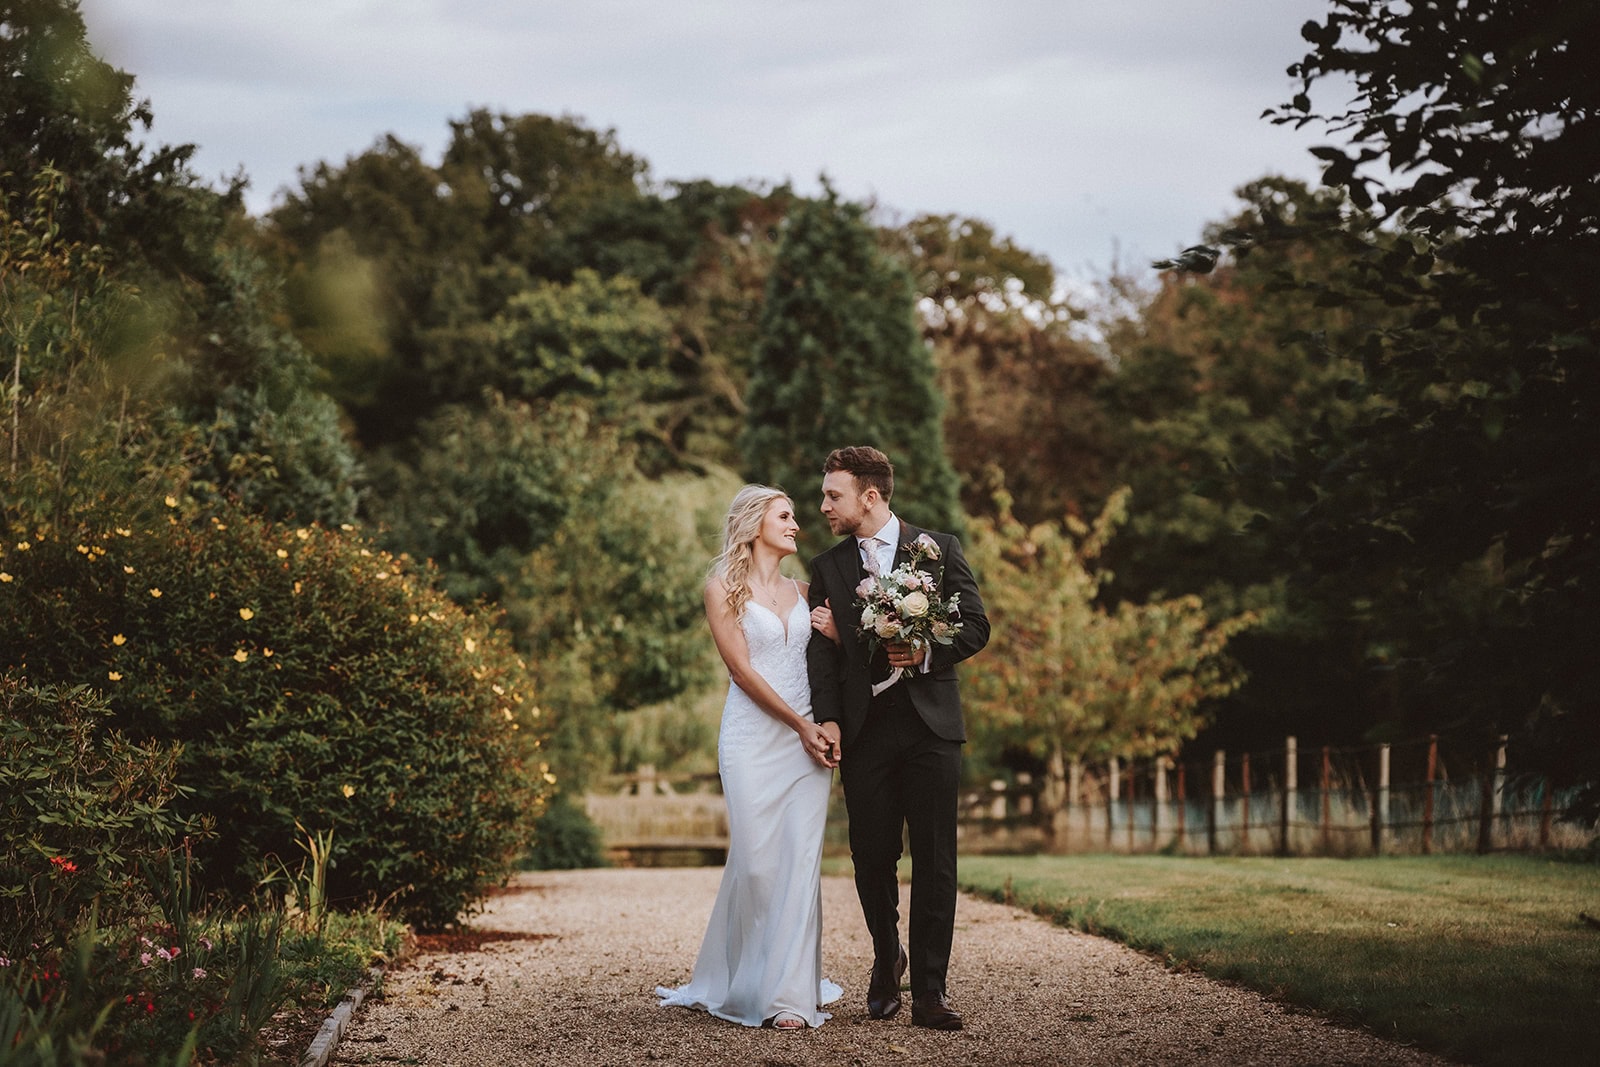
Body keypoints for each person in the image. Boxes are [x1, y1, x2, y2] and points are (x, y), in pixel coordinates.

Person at [804, 446, 989, 1031]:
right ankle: (888, 962)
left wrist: (927, 650)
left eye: (833, 494)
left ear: (870, 496)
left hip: (933, 728)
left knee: (936, 860)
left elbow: (976, 626)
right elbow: (821, 659)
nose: (824, 504)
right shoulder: (828, 567)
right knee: (872, 857)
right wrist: (829, 718)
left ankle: (931, 991)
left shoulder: (937, 550)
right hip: (866, 732)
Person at [656, 485, 843, 1030]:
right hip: (753, 739)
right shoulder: (722, 589)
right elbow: (742, 671)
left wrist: (838, 635)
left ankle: (788, 998)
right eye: (785, 516)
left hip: (806, 744)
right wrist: (800, 725)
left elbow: (840, 663)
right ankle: (743, 977)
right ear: (754, 522)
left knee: (800, 863)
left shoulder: (809, 591)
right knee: (758, 865)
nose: (796, 525)